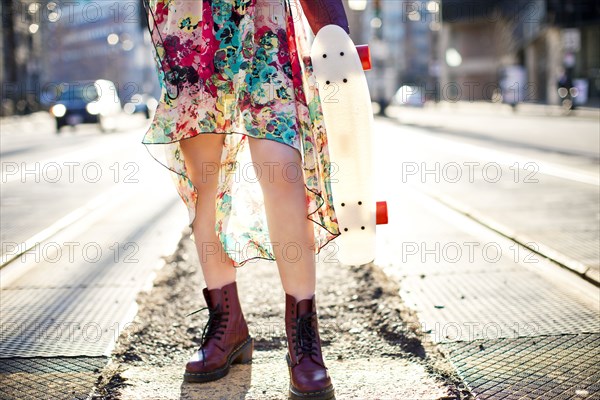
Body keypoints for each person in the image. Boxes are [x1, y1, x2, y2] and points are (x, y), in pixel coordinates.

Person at [142, 0, 349, 399]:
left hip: (263, 18)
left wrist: (333, 30)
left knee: (282, 170)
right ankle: (227, 323)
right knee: (206, 184)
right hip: (191, 24)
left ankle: (304, 339)